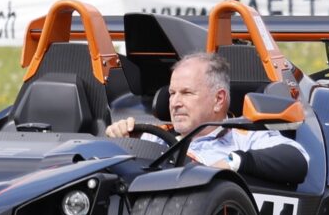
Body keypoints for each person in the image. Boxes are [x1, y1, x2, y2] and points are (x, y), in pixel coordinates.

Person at [104, 52, 308, 185]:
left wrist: (232, 162)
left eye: (186, 93)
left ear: (219, 100)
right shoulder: (152, 137)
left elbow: (298, 160)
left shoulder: (244, 137)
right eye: (172, 93)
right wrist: (121, 141)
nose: (174, 102)